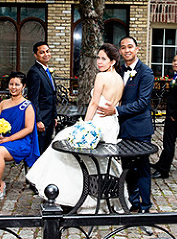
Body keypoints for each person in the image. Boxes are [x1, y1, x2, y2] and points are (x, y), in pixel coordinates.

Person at [26, 43, 124, 207]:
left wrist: (85, 126)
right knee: (96, 160)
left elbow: (93, 104)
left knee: (62, 141)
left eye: (103, 59)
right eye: (98, 58)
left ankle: (68, 194)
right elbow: (117, 104)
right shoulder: (119, 79)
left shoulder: (101, 77)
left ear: (112, 61)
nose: (99, 62)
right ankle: (97, 194)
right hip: (112, 125)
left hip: (98, 124)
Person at [98, 36, 155, 213]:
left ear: (137, 49)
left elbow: (142, 103)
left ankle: (145, 205)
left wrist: (115, 110)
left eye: (130, 47)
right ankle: (133, 203)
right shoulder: (119, 70)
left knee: (142, 167)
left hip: (140, 128)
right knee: (127, 168)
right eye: (123, 47)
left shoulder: (146, 73)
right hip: (122, 128)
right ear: (120, 51)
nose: (127, 50)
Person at [0, 72, 40, 206]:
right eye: (11, 84)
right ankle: (0, 184)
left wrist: (9, 139)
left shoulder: (28, 105)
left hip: (20, 142)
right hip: (2, 140)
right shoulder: (3, 103)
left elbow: (29, 128)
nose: (13, 87)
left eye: (17, 84)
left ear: (23, 86)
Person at [151, 50, 177, 179]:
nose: (175, 63)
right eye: (174, 60)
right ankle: (161, 163)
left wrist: (174, 115)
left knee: (169, 143)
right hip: (172, 114)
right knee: (167, 141)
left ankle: (164, 171)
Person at [26, 41, 57, 154]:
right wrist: (38, 120)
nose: (46, 54)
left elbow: (51, 95)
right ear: (36, 55)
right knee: (39, 149)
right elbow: (33, 98)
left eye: (47, 51)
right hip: (42, 119)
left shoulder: (46, 71)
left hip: (49, 118)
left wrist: (54, 116)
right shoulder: (34, 72)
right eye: (42, 52)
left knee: (47, 149)